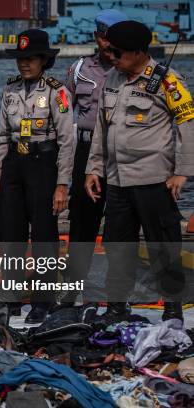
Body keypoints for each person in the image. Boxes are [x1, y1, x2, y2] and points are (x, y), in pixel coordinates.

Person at [85, 21, 194, 322]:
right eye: (108, 51)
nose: (110, 57)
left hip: (155, 181)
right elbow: (101, 128)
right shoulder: (111, 79)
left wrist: (182, 172)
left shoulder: (167, 81)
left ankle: (173, 310)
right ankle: (117, 308)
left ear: (137, 52)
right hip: (117, 181)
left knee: (163, 247)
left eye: (117, 52)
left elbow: (188, 125)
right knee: (118, 247)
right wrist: (93, 168)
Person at [0, 30, 74, 324]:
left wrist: (62, 184)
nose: (24, 64)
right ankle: (11, 297)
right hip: (14, 162)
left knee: (43, 235)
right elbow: (2, 136)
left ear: (43, 60)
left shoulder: (56, 91)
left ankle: (43, 300)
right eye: (21, 59)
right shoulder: (10, 89)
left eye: (31, 59)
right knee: (9, 232)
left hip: (43, 163)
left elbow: (67, 141)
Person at [61, 9, 127, 305]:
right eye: (101, 37)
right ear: (96, 37)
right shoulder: (79, 70)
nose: (105, 43)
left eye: (110, 37)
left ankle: (118, 296)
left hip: (121, 154)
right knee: (82, 224)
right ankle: (72, 290)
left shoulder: (132, 70)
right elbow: (63, 114)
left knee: (120, 226)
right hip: (86, 153)